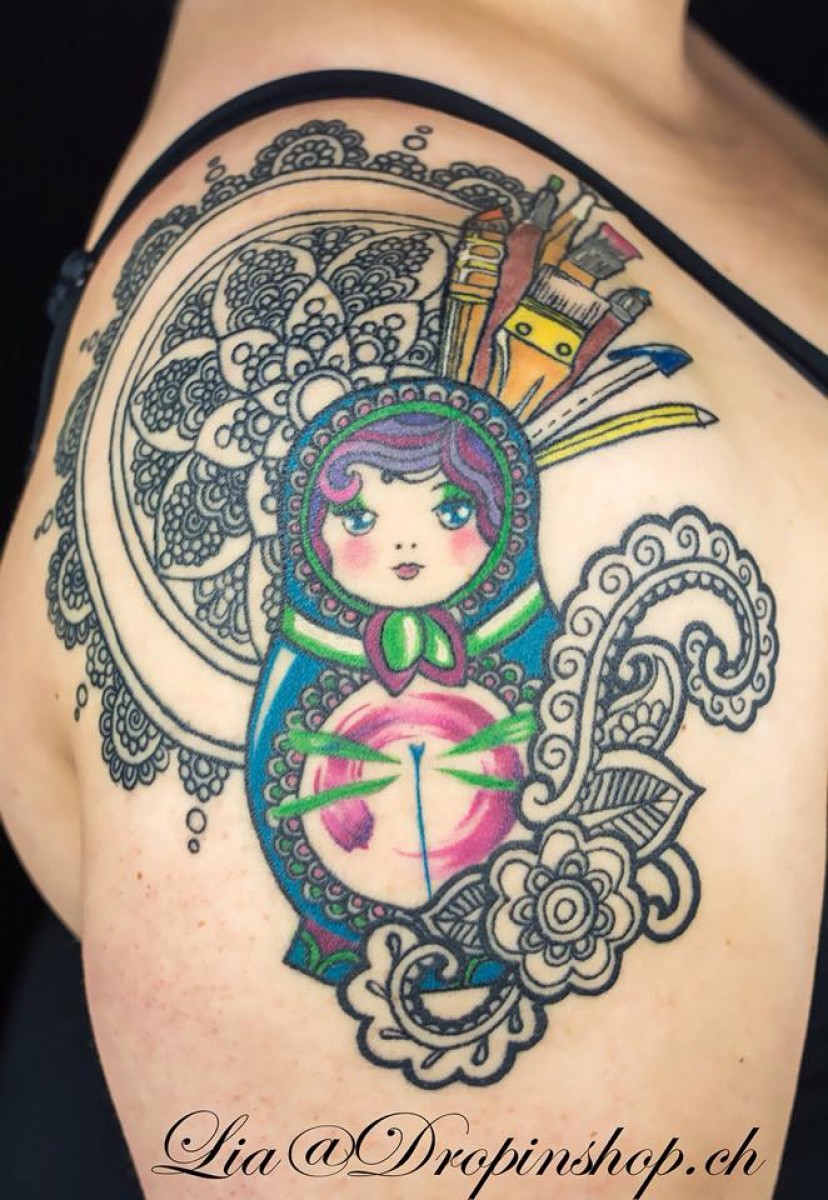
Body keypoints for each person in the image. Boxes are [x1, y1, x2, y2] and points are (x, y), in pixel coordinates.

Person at [1, 0, 826, 1194]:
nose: (402, 547)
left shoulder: (659, 65)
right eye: (364, 518)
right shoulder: (639, 485)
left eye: (445, 515)